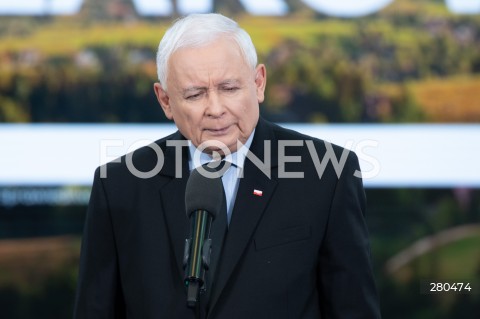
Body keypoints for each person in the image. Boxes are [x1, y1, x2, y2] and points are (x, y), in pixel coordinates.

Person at [74, 13, 381, 319]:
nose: (216, 109)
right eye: (195, 94)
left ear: (258, 83)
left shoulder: (327, 174)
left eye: (230, 88)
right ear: (165, 100)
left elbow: (353, 309)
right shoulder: (119, 186)